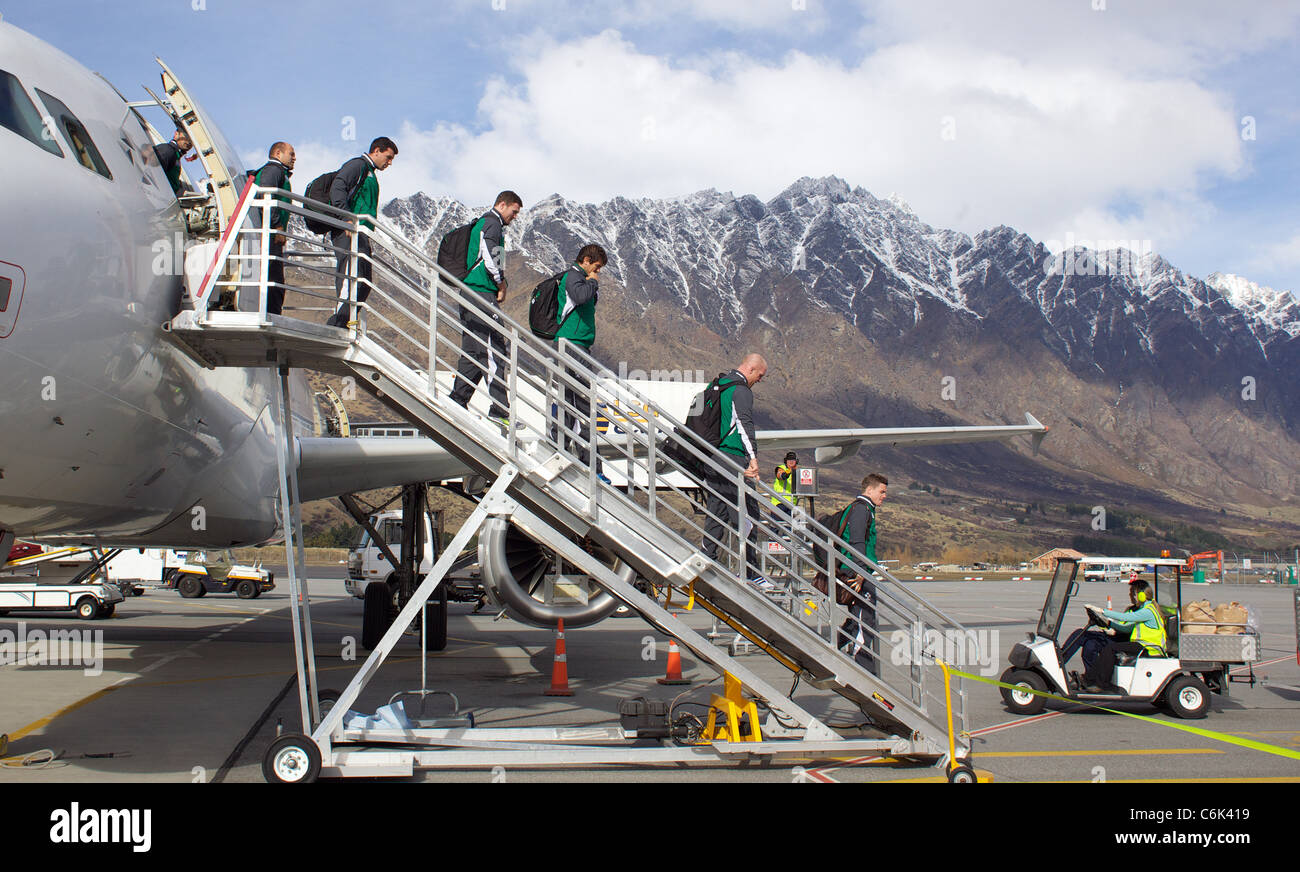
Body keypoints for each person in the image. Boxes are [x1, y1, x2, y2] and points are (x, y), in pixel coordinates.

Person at [448, 191, 523, 426]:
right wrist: (500, 282)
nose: (515, 217)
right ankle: (499, 410)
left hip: (474, 292)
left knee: (474, 351)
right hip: (480, 292)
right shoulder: (492, 224)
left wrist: (502, 283)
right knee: (494, 348)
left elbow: (493, 258)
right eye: (514, 211)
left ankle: (457, 400)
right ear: (503, 205)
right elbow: (491, 258)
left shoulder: (488, 224)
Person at [699, 353, 766, 584]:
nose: (759, 380)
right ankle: (751, 572)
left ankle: (707, 557)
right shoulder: (741, 391)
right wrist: (753, 458)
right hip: (732, 456)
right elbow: (743, 424)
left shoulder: (717, 384)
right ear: (751, 369)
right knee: (748, 515)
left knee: (716, 511)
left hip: (713, 457)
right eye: (760, 376)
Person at [326, 137, 398, 327]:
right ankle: (338, 323)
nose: (389, 163)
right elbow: (338, 187)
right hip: (349, 231)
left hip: (362, 233)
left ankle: (346, 320)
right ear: (376, 150)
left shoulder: (370, 173)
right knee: (351, 278)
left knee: (364, 281)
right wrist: (346, 219)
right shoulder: (357, 166)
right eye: (388, 157)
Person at [551, 244, 608, 478]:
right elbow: (581, 296)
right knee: (581, 404)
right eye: (596, 267)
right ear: (586, 260)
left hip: (579, 345)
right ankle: (588, 465)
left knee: (573, 403)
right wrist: (592, 282)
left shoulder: (580, 278)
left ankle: (566, 451)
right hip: (572, 345)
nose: (597, 272)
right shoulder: (574, 276)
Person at [835, 474, 887, 675]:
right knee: (866, 621)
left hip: (858, 570)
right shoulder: (861, 510)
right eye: (881, 491)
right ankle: (864, 668)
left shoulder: (865, 509)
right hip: (857, 572)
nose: (884, 496)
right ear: (870, 490)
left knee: (858, 618)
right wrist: (860, 571)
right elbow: (857, 542)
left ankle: (835, 644)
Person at [1079, 580, 1166, 693]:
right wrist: (1109, 624)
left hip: (1149, 647)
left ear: (1141, 595)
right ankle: (1090, 678)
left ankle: (1101, 684)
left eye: (1133, 593)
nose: (1131, 596)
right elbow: (1127, 628)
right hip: (1143, 645)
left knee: (1110, 648)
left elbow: (1124, 618)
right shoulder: (1146, 609)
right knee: (1111, 648)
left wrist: (1101, 610)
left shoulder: (1147, 611)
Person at [250, 142, 295, 315]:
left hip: (271, 233)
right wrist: (276, 225)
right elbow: (266, 195)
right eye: (291, 154)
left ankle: (271, 312)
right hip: (269, 233)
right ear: (277, 153)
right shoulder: (273, 171)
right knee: (273, 279)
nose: (294, 158)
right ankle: (271, 314)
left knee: (275, 279)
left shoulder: (278, 172)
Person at [153, 128, 192, 197]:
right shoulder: (167, 150)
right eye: (187, 137)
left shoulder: (176, 155)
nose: (189, 142)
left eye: (191, 140)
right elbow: (154, 174)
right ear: (176, 134)